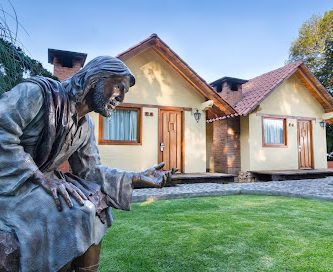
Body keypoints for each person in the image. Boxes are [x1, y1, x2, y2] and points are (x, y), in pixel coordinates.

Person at [0, 56, 168, 271]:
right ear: (95, 78)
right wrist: (42, 179)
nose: (121, 98)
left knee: (94, 207)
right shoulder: (38, 93)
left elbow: (89, 170)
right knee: (69, 212)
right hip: (11, 185)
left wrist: (135, 178)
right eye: (119, 87)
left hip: (39, 185)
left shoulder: (84, 126)